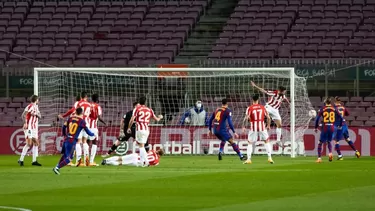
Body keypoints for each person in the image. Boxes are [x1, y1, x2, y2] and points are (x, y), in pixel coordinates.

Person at [53, 108, 94, 175]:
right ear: (82, 113)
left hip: (66, 140)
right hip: (72, 142)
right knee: (69, 158)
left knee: (64, 156)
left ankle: (57, 166)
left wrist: (64, 134)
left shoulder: (70, 118)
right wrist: (93, 134)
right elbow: (88, 131)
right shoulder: (82, 121)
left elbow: (64, 127)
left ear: (76, 112)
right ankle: (57, 167)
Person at [250, 81, 290, 146]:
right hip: (269, 107)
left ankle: (278, 140)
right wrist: (255, 86)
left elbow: (286, 99)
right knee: (260, 116)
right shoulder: (274, 93)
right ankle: (257, 128)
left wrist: (289, 103)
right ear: (280, 91)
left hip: (275, 110)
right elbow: (263, 91)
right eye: (284, 91)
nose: (284, 92)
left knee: (279, 125)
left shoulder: (283, 96)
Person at [128, 96, 163, 167]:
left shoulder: (137, 109)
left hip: (140, 129)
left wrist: (129, 127)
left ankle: (143, 162)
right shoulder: (149, 110)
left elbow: (132, 119)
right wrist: (160, 117)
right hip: (146, 130)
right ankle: (144, 162)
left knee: (141, 146)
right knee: (141, 145)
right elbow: (157, 119)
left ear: (139, 102)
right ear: (145, 102)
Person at [242, 95, 273, 164]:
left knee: (250, 142)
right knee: (266, 141)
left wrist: (243, 126)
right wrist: (268, 125)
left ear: (252, 99)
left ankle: (249, 159)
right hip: (262, 126)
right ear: (258, 99)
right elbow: (268, 118)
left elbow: (246, 118)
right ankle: (269, 158)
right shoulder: (262, 107)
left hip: (253, 127)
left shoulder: (249, 108)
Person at [315, 97, 343, 163]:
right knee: (329, 141)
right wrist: (340, 125)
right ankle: (330, 153)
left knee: (320, 142)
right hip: (332, 127)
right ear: (330, 102)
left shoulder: (322, 109)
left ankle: (319, 158)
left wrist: (316, 127)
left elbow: (317, 119)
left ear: (325, 102)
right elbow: (341, 117)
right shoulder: (334, 108)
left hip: (325, 127)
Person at [18, 95, 42, 166]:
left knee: (36, 143)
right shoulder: (30, 106)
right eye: (38, 99)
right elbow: (24, 115)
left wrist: (37, 114)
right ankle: (21, 159)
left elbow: (40, 116)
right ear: (36, 100)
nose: (39, 101)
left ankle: (34, 161)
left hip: (34, 128)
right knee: (29, 143)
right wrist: (25, 123)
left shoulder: (36, 107)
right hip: (29, 127)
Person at [88, 93, 106, 166]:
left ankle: (85, 160)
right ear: (97, 99)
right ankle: (91, 161)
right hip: (94, 127)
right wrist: (104, 123)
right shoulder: (98, 106)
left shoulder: (88, 105)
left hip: (87, 125)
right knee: (94, 142)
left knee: (86, 142)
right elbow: (98, 117)